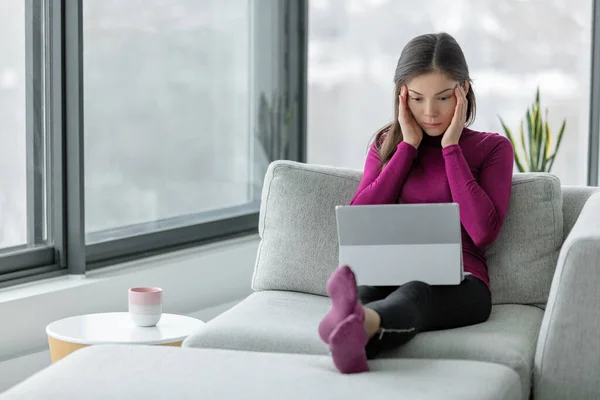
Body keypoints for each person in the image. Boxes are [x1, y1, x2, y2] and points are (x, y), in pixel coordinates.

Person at [317, 32, 515, 374]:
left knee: (415, 291)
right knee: (366, 288)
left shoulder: (493, 148)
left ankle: (355, 323)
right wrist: (407, 147)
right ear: (401, 96)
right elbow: (361, 219)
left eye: (442, 98)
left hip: (464, 284)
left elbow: (483, 232)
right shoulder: (387, 144)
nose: (430, 112)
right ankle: (352, 335)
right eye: (418, 99)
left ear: (464, 90)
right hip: (391, 272)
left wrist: (451, 147)